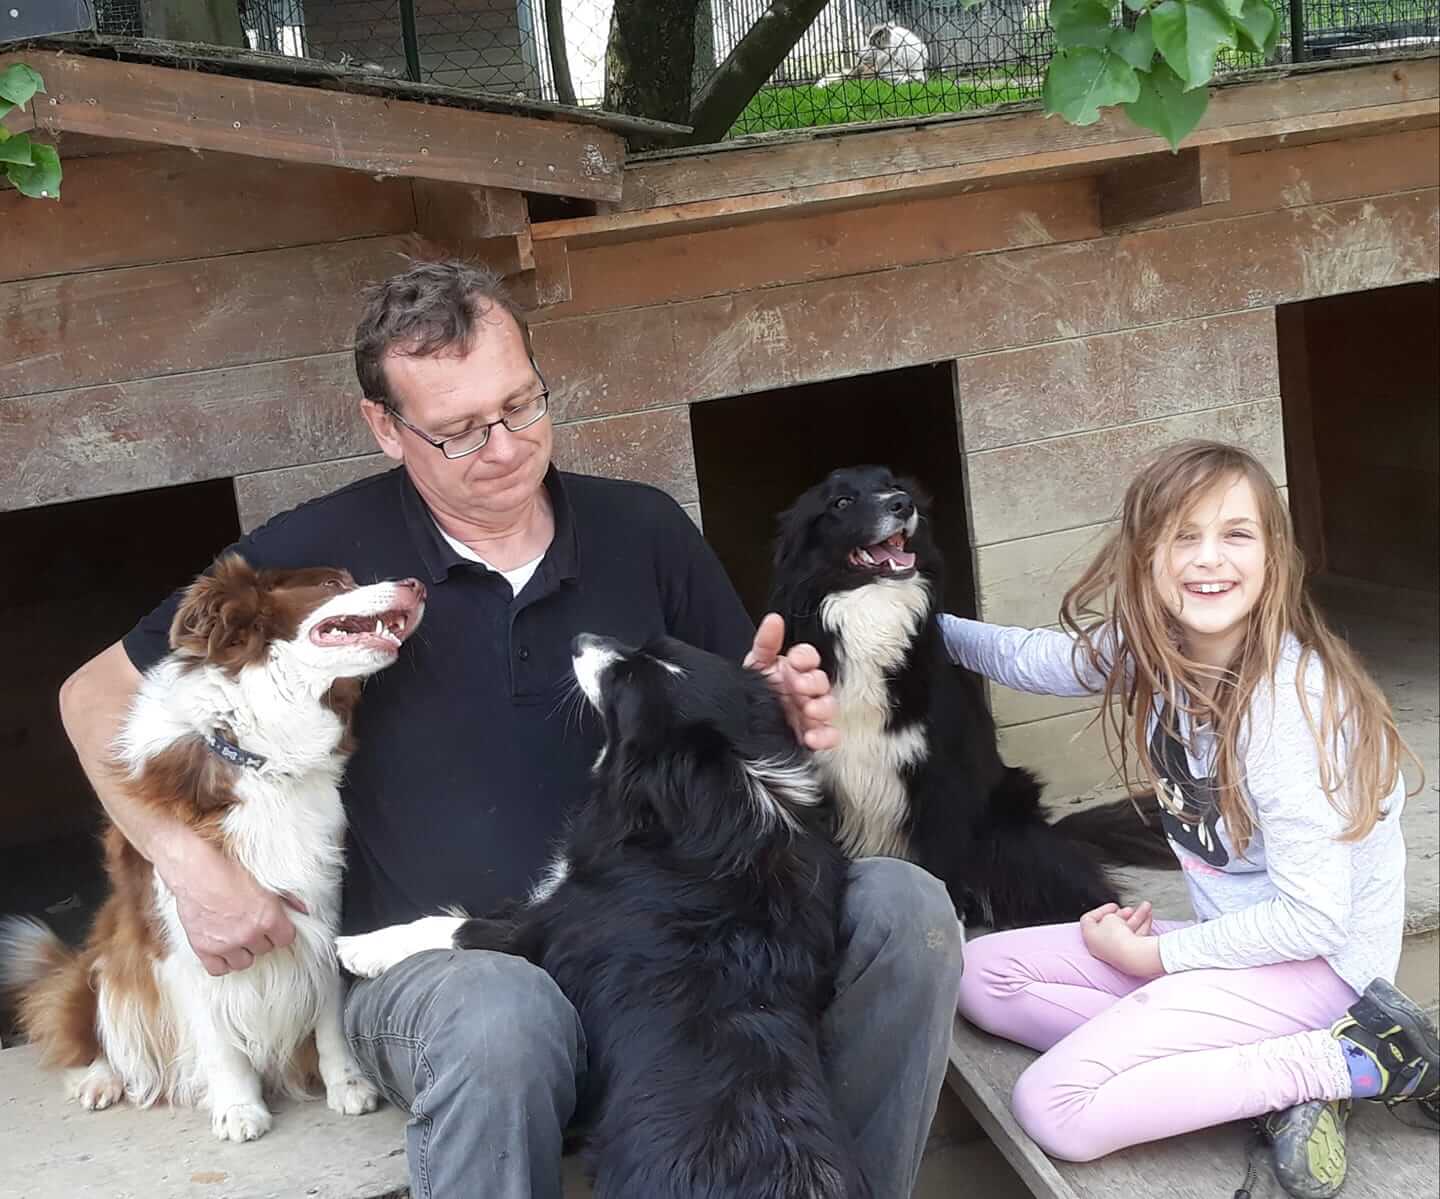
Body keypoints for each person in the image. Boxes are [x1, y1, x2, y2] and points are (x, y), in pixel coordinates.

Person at [58, 260, 964, 1199]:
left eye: (523, 403)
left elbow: (734, 715)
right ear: (385, 426)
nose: (504, 446)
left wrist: (782, 706)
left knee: (908, 910)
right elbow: (89, 696)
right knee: (505, 1011)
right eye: (457, 431)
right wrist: (189, 864)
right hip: (445, 972)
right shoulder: (318, 558)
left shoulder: (641, 528)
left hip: (663, 951)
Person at [944, 440, 1437, 1199]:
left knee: (1055, 1105)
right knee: (981, 974)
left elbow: (1312, 920)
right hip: (1234, 955)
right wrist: (918, 621)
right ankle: (1244, 1077)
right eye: (1182, 534)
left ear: (1274, 554)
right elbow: (1036, 659)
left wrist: (1157, 965)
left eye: (1236, 533)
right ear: (1145, 556)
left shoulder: (1283, 709)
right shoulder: (1154, 650)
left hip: (1318, 968)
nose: (1209, 558)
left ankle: (1352, 1062)